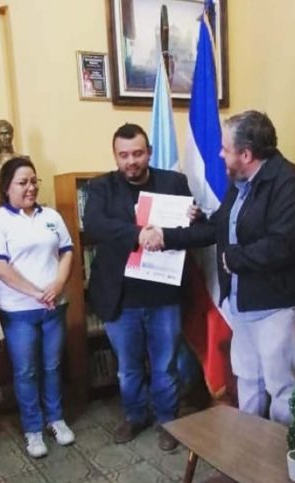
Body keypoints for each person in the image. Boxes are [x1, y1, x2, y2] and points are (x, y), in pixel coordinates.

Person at [159, 110, 295, 425]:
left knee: (282, 388)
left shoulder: (290, 182)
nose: (220, 154)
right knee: (247, 380)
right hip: (243, 301)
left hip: (280, 304)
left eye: (225, 149)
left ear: (246, 154)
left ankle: (282, 453)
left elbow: (283, 245)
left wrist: (232, 259)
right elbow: (220, 227)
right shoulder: (241, 182)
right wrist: (167, 236)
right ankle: (249, 447)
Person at [83, 123, 194, 451]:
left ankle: (168, 421)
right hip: (121, 297)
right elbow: (95, 225)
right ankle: (135, 416)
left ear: (150, 152)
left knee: (165, 366)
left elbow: (191, 229)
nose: (131, 161)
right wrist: (138, 234)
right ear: (115, 156)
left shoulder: (174, 183)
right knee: (128, 369)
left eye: (138, 153)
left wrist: (194, 215)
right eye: (124, 155)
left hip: (164, 295)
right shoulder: (101, 187)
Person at [0, 157, 75, 458]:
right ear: (6, 187)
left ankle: (55, 419)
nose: (31, 187)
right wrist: (36, 292)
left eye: (34, 181)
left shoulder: (51, 216)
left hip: (54, 306)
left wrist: (58, 284)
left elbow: (67, 252)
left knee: (52, 366)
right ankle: (33, 429)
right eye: (23, 182)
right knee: (26, 371)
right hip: (18, 310)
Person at [0, 119, 30, 193]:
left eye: (7, 133)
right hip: (1, 197)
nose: (5, 137)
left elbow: (29, 178)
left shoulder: (23, 159)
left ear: (12, 135)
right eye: (1, 134)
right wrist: (14, 179)